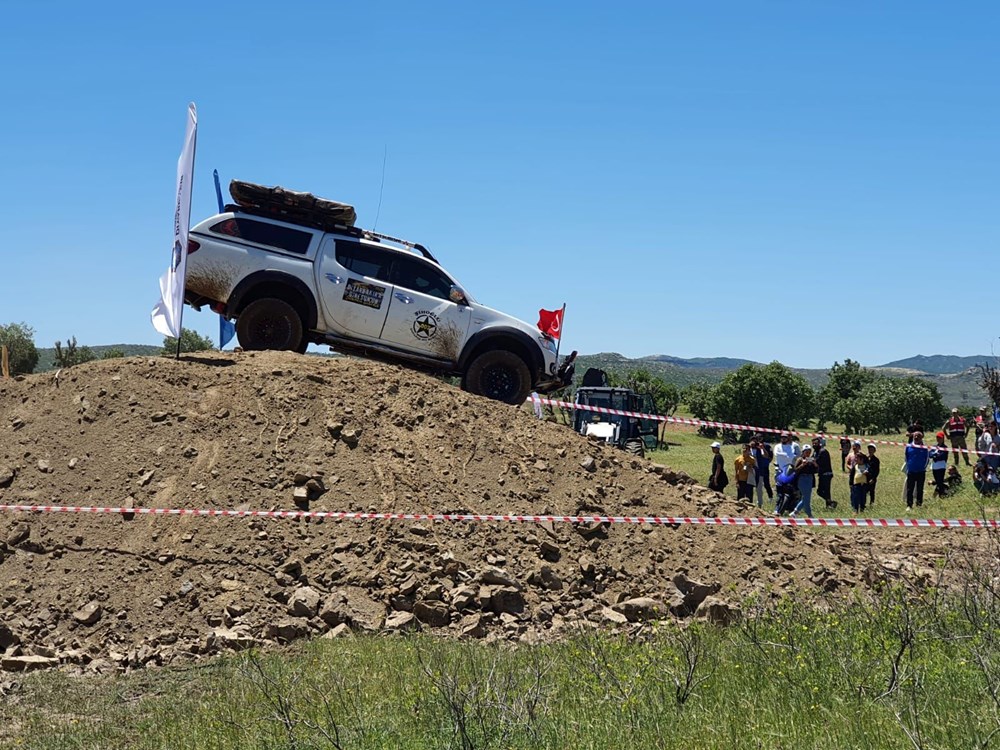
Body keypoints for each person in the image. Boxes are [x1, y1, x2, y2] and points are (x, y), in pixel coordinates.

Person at [790, 444, 818, 518]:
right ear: (803, 452)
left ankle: (795, 512)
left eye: (809, 452)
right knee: (806, 497)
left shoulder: (811, 459)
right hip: (802, 479)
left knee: (806, 497)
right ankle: (809, 514)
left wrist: (815, 464)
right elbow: (795, 470)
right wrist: (802, 465)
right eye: (806, 452)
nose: (808, 453)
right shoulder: (800, 459)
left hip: (810, 478)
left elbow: (816, 470)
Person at [904, 431, 930, 510]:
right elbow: (906, 457)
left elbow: (927, 459)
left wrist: (923, 467)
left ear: (921, 438)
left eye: (918, 436)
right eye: (915, 436)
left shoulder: (924, 448)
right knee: (910, 489)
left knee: (920, 489)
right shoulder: (908, 446)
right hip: (911, 471)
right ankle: (909, 505)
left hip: (921, 472)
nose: (916, 437)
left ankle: (919, 504)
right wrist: (909, 466)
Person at [813, 437, 836, 509]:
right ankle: (830, 503)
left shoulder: (823, 451)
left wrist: (812, 461)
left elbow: (817, 461)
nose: (814, 445)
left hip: (826, 474)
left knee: (825, 491)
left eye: (816, 443)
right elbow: (813, 459)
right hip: (821, 474)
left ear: (819, 443)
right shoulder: (816, 451)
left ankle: (829, 505)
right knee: (820, 491)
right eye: (813, 443)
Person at [751, 435, 774, 507]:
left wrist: (767, 462)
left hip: (764, 467)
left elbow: (769, 456)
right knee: (756, 485)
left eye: (759, 438)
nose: (758, 440)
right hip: (755, 468)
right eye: (756, 439)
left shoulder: (766, 446)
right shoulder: (753, 447)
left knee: (766, 483)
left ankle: (770, 497)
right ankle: (757, 501)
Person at [929, 432, 950, 497]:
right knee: (938, 481)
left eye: (940, 438)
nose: (938, 439)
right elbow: (930, 454)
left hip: (941, 466)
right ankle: (942, 493)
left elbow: (942, 456)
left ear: (943, 438)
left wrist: (935, 455)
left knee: (940, 481)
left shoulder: (945, 447)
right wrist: (935, 455)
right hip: (934, 466)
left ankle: (942, 494)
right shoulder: (934, 446)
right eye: (937, 437)